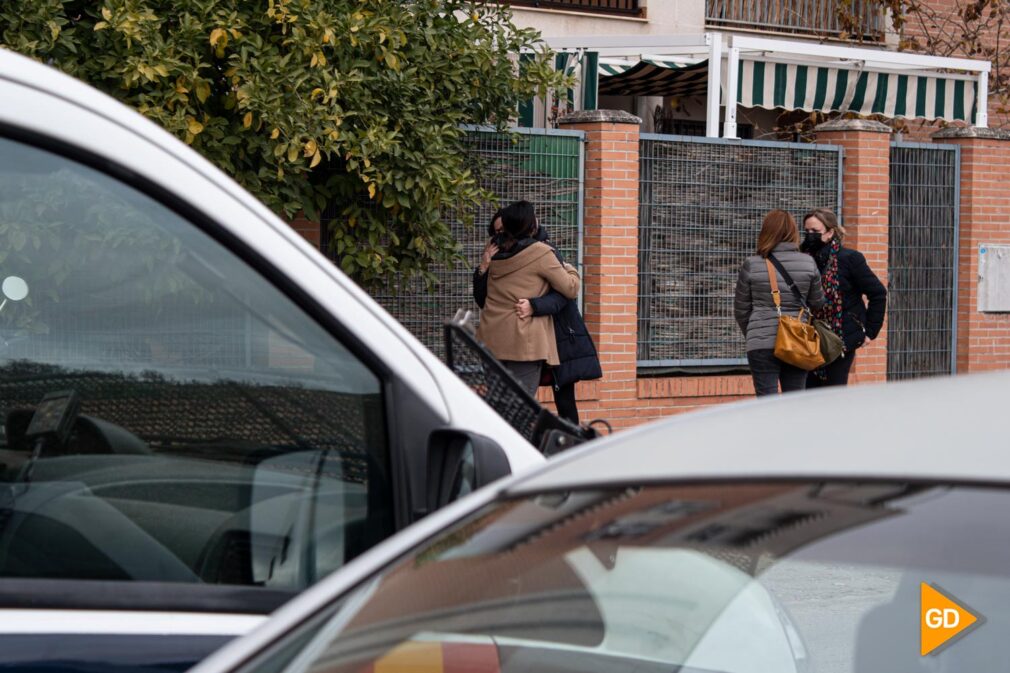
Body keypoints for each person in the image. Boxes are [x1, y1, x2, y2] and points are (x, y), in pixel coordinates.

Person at [474, 203, 601, 424]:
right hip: (525, 343)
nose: (499, 235)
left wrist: (535, 305)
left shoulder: (496, 254)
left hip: (492, 340)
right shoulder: (541, 253)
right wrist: (570, 268)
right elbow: (570, 289)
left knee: (499, 406)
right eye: (496, 232)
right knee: (520, 407)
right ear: (531, 224)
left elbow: (485, 299)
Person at [734, 209, 826, 396]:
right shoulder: (808, 263)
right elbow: (817, 303)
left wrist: (754, 331)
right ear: (793, 232)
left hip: (761, 342)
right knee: (794, 401)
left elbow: (741, 308)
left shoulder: (752, 264)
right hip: (796, 339)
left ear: (766, 232)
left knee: (766, 401)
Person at [801, 208, 887, 388]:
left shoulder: (849, 259)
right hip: (808, 338)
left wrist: (870, 331)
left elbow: (877, 293)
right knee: (808, 393)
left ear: (830, 232)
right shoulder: (802, 260)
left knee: (833, 393)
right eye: (807, 231)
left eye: (815, 232)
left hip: (842, 338)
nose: (810, 236)